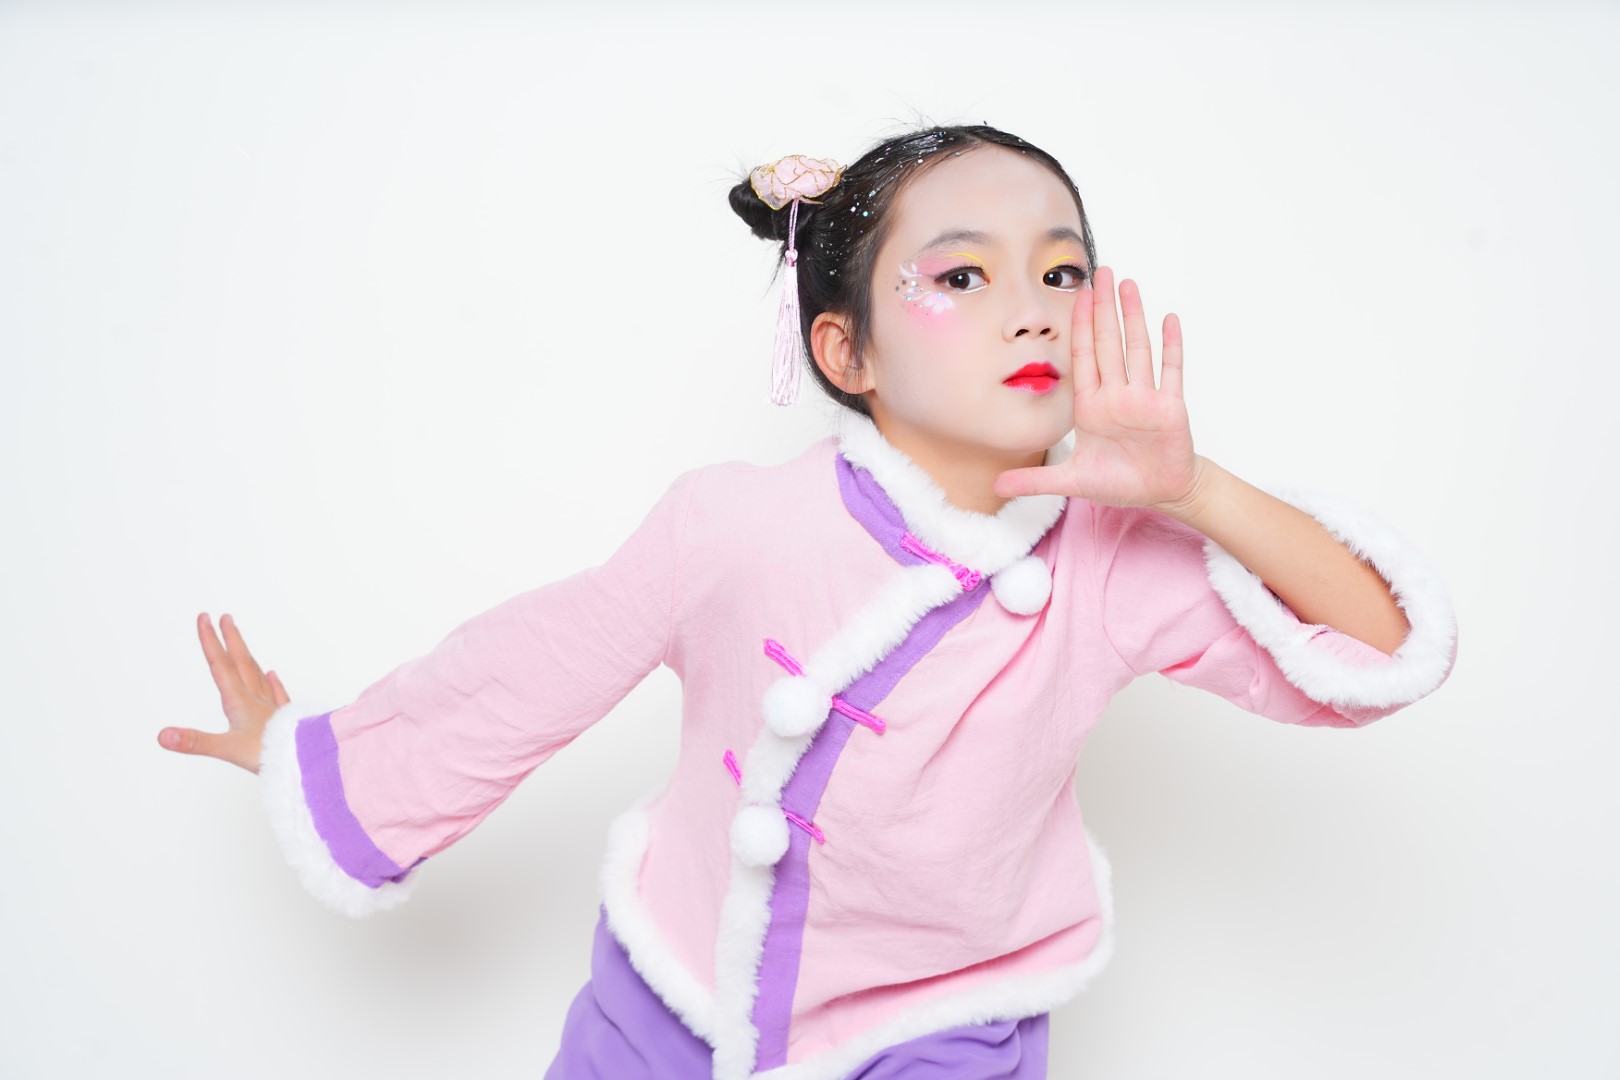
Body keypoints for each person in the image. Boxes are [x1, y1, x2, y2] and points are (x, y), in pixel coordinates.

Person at [161, 123, 1459, 1080]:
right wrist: (314, 762)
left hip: (944, 1027)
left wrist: (1194, 490)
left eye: (1062, 274)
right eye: (962, 277)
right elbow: (535, 667)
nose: (1031, 312)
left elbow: (1382, 645)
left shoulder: (1111, 562)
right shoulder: (730, 522)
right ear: (846, 349)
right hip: (671, 991)